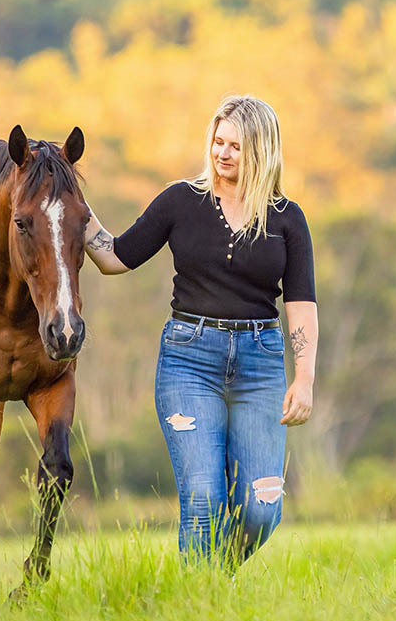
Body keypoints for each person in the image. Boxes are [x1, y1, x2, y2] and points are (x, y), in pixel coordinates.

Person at [83, 94, 318, 565]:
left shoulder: (287, 217)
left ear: (262, 150)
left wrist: (305, 377)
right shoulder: (180, 202)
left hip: (261, 363)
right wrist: (73, 206)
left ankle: (213, 578)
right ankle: (200, 597)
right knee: (203, 500)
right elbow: (114, 257)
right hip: (189, 360)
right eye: (218, 141)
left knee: (261, 508)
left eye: (236, 145)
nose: (222, 153)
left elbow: (301, 302)